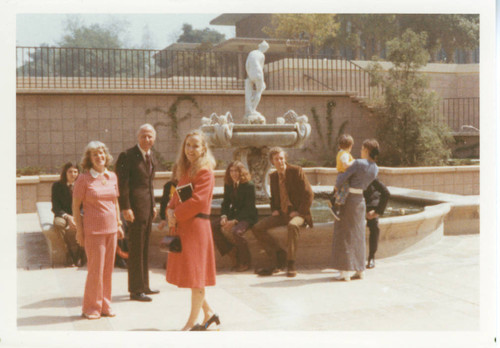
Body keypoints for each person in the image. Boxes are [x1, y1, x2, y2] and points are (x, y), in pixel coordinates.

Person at [166, 129, 219, 331]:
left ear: (203, 148)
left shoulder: (204, 171)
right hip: (185, 227)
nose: (190, 149)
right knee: (192, 274)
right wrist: (169, 210)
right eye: (188, 145)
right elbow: (176, 197)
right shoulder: (188, 170)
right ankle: (209, 313)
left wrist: (175, 214)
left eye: (195, 145)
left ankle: (192, 323)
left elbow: (198, 202)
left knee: (196, 276)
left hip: (196, 228)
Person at [73, 141, 124, 319]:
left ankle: (105, 305)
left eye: (102, 153)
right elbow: (75, 206)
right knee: (95, 270)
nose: (99, 157)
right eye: (95, 154)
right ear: (89, 158)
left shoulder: (112, 176)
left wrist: (118, 223)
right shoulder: (83, 179)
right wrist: (79, 231)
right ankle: (91, 307)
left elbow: (115, 202)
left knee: (108, 270)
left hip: (111, 230)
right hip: (93, 231)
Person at [251, 147, 314, 278]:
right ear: (272, 162)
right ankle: (279, 253)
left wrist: (299, 212)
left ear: (285, 158)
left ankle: (291, 263)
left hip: (299, 213)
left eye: (281, 158)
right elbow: (274, 197)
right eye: (276, 159)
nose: (279, 161)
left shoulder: (296, 171)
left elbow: (309, 194)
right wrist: (274, 209)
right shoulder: (273, 176)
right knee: (257, 228)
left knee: (293, 226)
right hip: (282, 213)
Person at [115, 124, 159, 302]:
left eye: (150, 136)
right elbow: (122, 185)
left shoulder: (149, 156)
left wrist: (154, 205)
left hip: (147, 210)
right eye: (143, 136)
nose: (146, 139)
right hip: (134, 210)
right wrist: (125, 208)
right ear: (137, 137)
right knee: (135, 250)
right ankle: (135, 289)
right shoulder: (127, 156)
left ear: (154, 139)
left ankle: (144, 285)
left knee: (144, 248)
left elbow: (149, 184)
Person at [331, 139, 380, 281]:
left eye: (362, 149)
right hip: (360, 200)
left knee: (344, 234)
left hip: (349, 200)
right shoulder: (375, 168)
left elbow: (344, 175)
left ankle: (345, 271)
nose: (360, 151)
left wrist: (336, 186)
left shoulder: (358, 163)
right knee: (358, 235)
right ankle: (359, 269)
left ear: (366, 150)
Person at [211, 161, 258, 272]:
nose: (234, 173)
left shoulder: (249, 185)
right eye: (231, 171)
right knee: (212, 226)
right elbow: (226, 203)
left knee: (237, 232)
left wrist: (235, 221)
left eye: (236, 170)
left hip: (248, 215)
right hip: (234, 214)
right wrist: (223, 216)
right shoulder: (228, 184)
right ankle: (230, 251)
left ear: (241, 171)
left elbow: (249, 207)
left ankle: (245, 261)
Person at [51, 162, 85, 267]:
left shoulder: (83, 185)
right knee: (58, 224)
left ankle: (80, 255)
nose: (73, 174)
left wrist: (78, 216)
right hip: (63, 215)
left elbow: (86, 205)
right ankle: (68, 253)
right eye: (70, 171)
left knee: (86, 223)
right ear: (65, 173)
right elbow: (56, 207)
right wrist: (68, 217)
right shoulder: (57, 186)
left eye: (75, 172)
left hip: (79, 214)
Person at [364, 178, 390, 269]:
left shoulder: (370, 175)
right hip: (356, 204)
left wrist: (377, 212)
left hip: (371, 204)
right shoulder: (350, 173)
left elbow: (386, 193)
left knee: (374, 226)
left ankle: (371, 257)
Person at [330, 134, 355, 221]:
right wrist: (354, 163)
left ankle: (333, 199)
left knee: (341, 190)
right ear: (350, 146)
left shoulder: (340, 153)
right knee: (345, 191)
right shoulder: (345, 154)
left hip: (341, 175)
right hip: (344, 176)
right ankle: (336, 207)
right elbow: (345, 165)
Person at [244, 40, 269, 123]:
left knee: (256, 87)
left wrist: (249, 74)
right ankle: (253, 109)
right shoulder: (262, 55)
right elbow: (261, 67)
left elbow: (247, 64)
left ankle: (251, 102)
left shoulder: (252, 52)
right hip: (258, 73)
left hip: (250, 73)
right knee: (261, 89)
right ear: (264, 48)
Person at [158, 164, 178, 231]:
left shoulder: (189, 184)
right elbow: (163, 203)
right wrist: (163, 219)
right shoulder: (169, 185)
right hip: (172, 219)